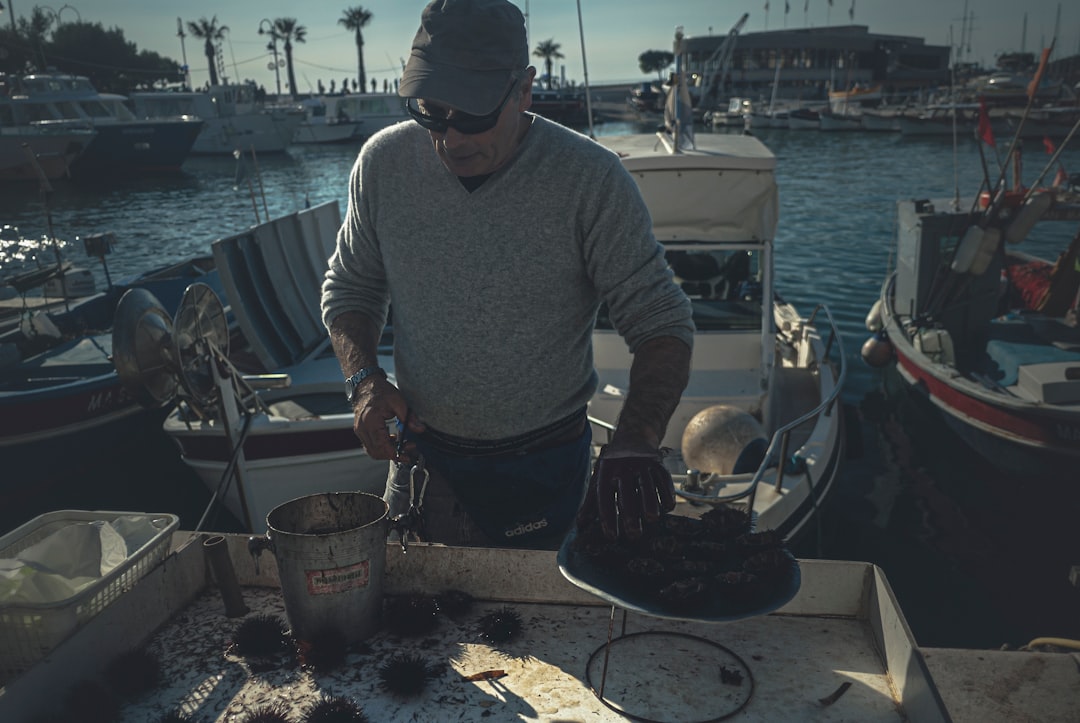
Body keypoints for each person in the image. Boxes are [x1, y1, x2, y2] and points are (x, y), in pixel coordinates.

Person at [321, 0, 694, 550]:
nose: (451, 139)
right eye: (432, 111)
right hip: (423, 465)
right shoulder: (382, 164)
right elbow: (351, 288)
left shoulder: (589, 179)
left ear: (524, 90)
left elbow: (662, 323)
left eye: (473, 115)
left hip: (547, 471)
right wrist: (364, 382)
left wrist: (637, 438)